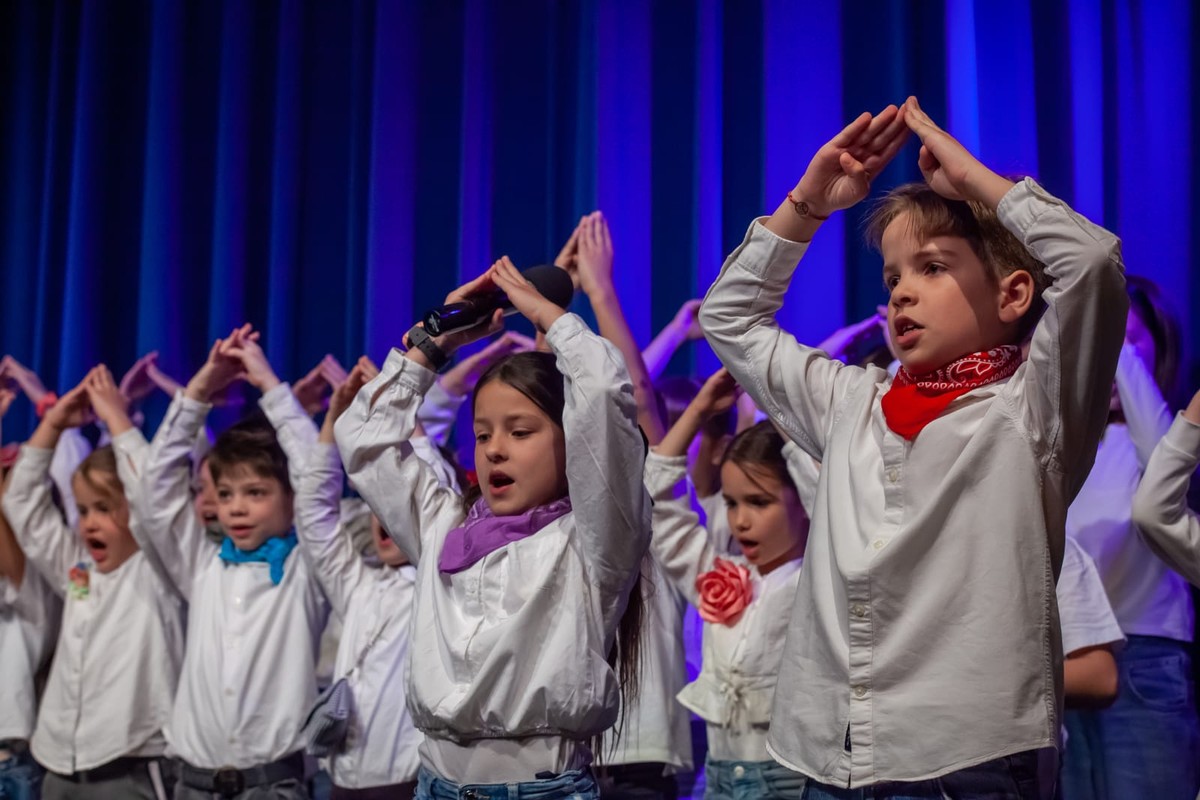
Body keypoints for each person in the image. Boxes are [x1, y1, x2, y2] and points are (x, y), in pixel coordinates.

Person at [698, 97, 1127, 796]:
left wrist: (975, 182)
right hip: (829, 759)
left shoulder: (1033, 409)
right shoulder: (849, 403)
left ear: (1015, 293)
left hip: (971, 762)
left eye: (932, 268)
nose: (902, 294)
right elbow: (729, 317)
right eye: (893, 276)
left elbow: (1091, 264)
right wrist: (807, 204)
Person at [334, 257, 649, 798]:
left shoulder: (593, 539)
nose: (496, 449)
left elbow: (600, 393)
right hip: (435, 784)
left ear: (571, 441)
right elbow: (364, 437)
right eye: (482, 436)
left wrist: (545, 313)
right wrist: (439, 336)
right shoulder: (443, 528)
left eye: (520, 431)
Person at [136, 325, 329, 799]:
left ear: (290, 499)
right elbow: (152, 494)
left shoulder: (311, 570)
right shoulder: (202, 565)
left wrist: (270, 386)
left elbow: (317, 478)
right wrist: (199, 390)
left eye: (256, 493)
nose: (236, 508)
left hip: (275, 785)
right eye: (225, 494)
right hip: (192, 784)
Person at [2, 367, 185, 799]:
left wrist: (116, 419)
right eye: (83, 511)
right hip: (57, 765)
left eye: (104, 508)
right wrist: (53, 423)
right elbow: (20, 500)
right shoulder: (77, 568)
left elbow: (154, 497)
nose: (90, 523)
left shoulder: (161, 571)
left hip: (128, 766)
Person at [1060, 276, 1200, 799]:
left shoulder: (1164, 439)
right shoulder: (1066, 447)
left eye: (1126, 338)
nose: (1111, 355)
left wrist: (1113, 336)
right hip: (1067, 655)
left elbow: (1165, 471)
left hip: (1145, 654)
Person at [647, 368, 808, 799]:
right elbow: (660, 499)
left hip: (791, 781)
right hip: (718, 777)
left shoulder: (818, 587)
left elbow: (821, 478)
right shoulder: (720, 576)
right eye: (732, 503)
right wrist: (700, 409)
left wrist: (769, 402)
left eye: (759, 502)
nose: (740, 520)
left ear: (806, 499)